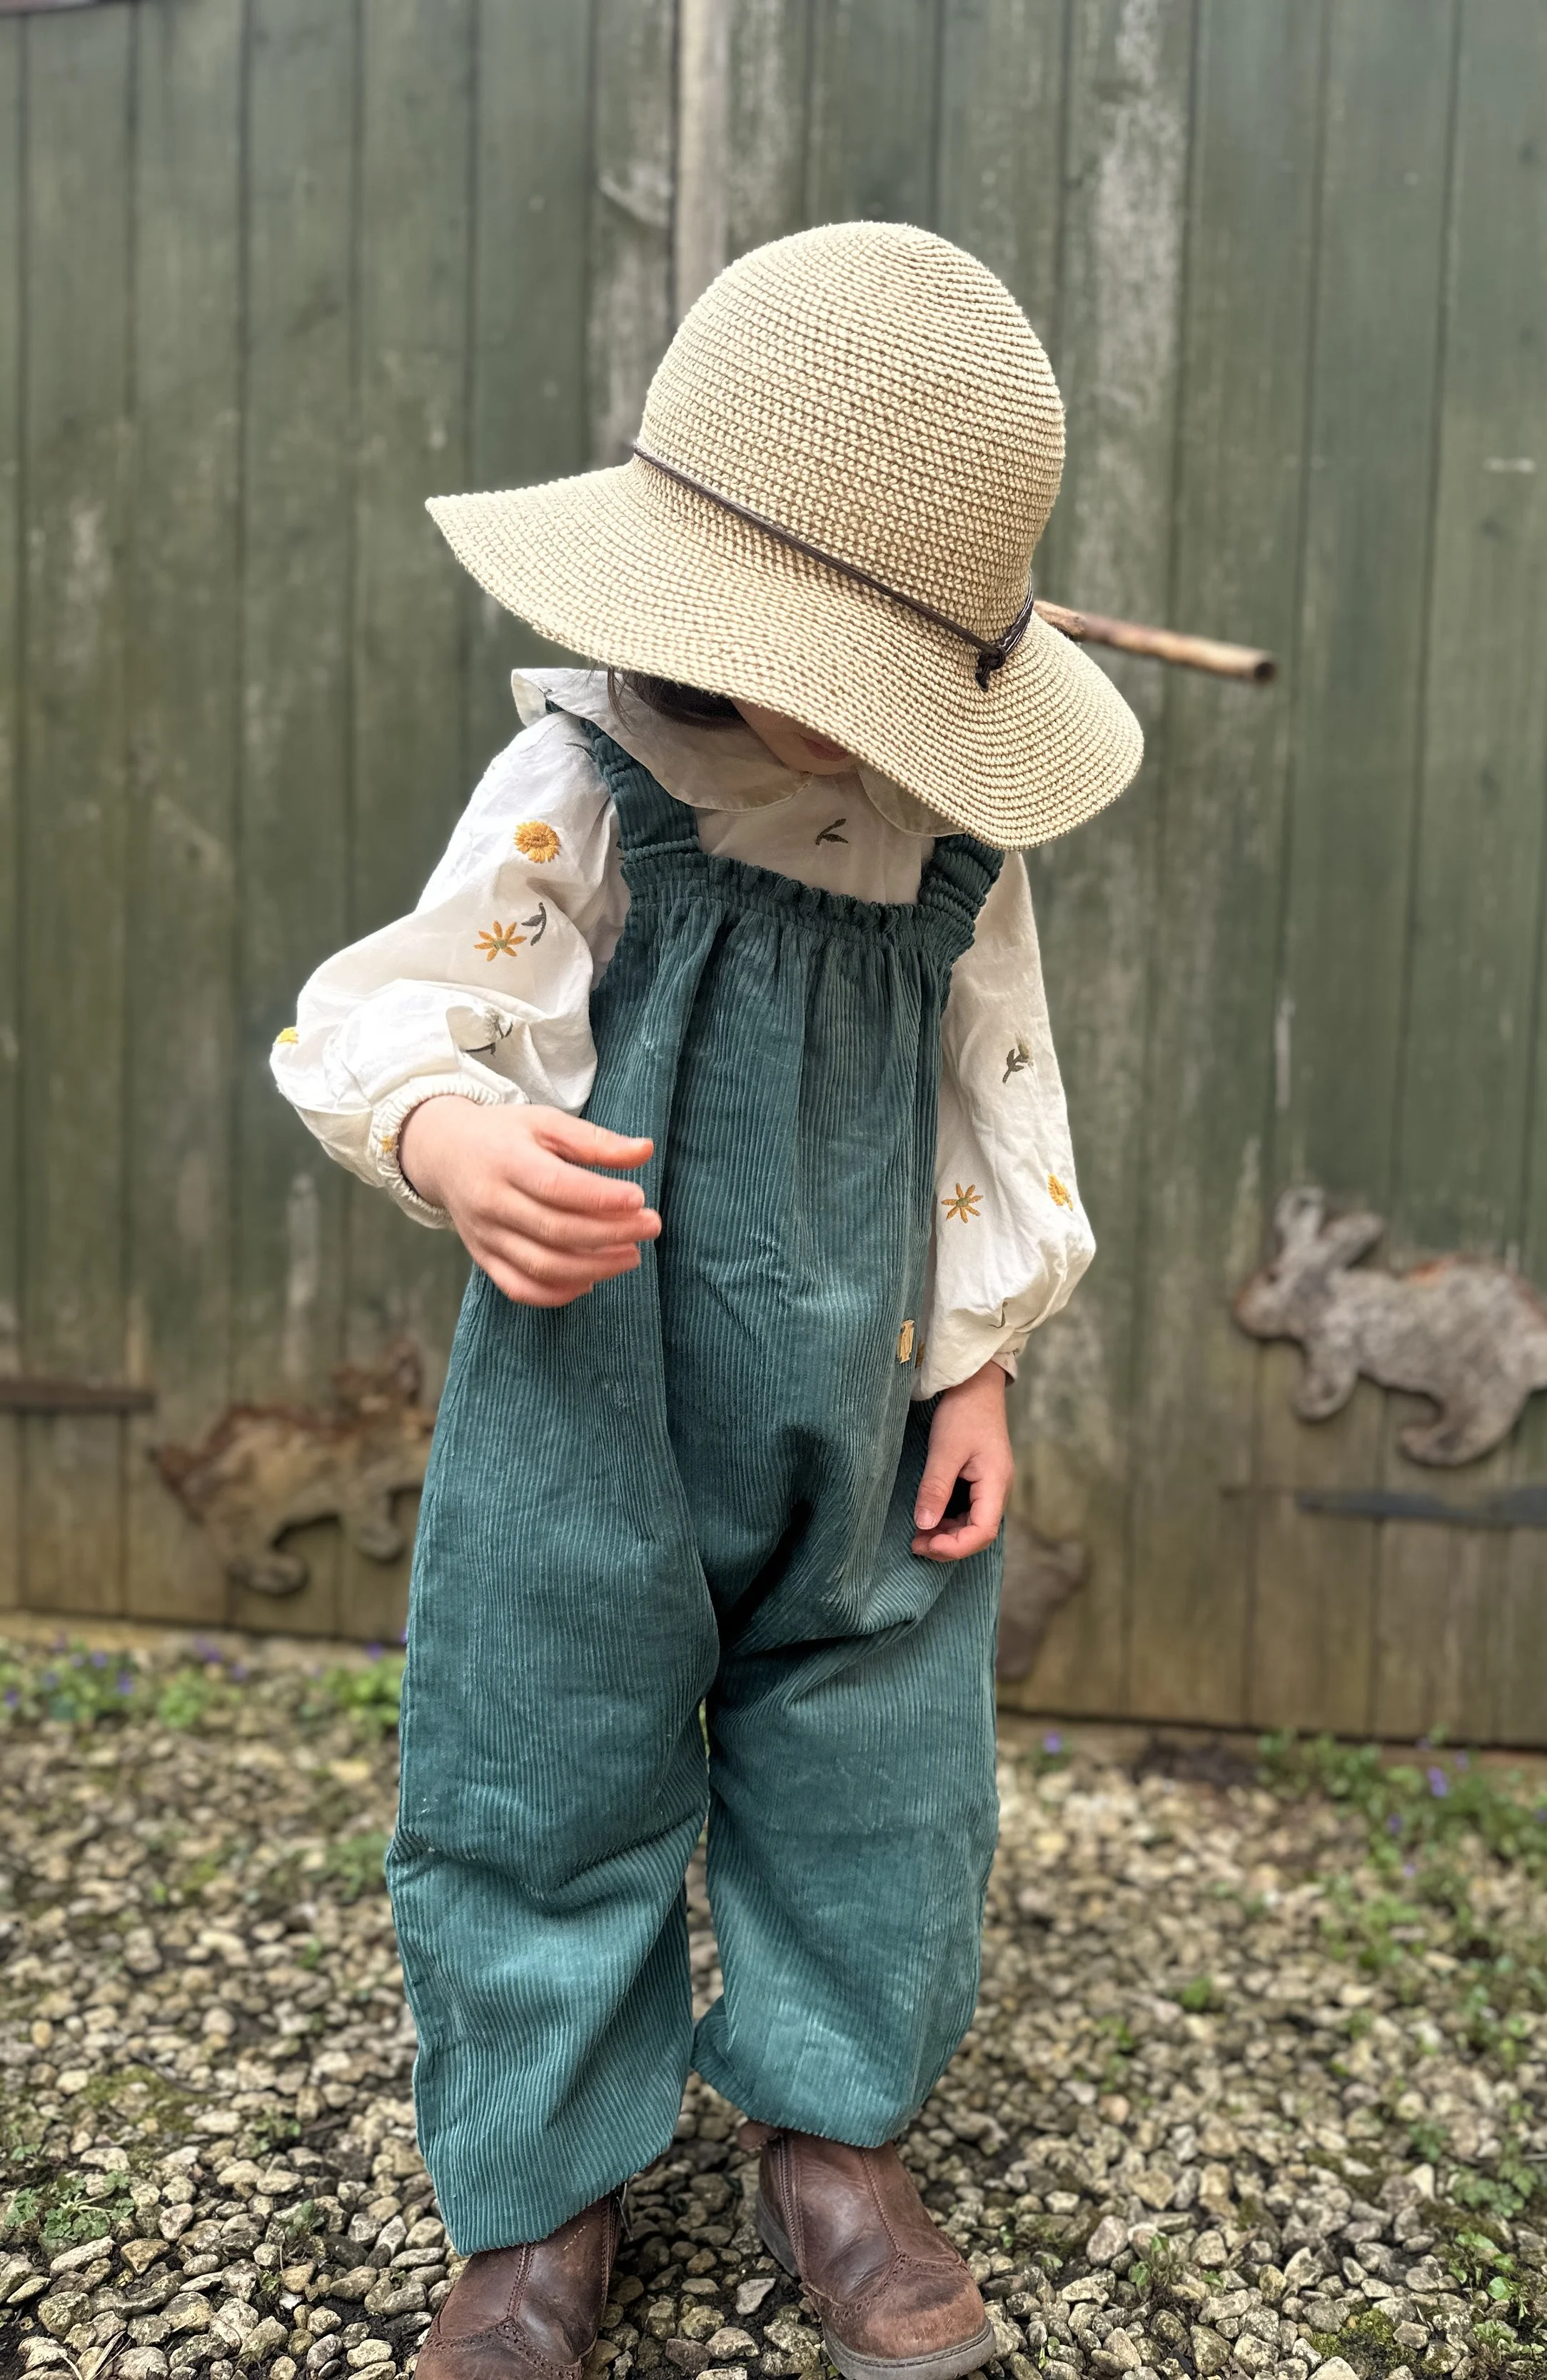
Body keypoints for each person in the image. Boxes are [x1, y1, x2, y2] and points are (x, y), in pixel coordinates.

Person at [273, 220, 1142, 2380]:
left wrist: (983, 1360)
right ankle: (539, 2192)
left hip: (860, 1392)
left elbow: (994, 1101)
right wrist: (452, 1142)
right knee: (537, 1749)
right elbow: (372, 1015)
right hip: (589, 1389)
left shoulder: (953, 845)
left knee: (880, 1761)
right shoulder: (586, 788)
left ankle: (831, 2135)